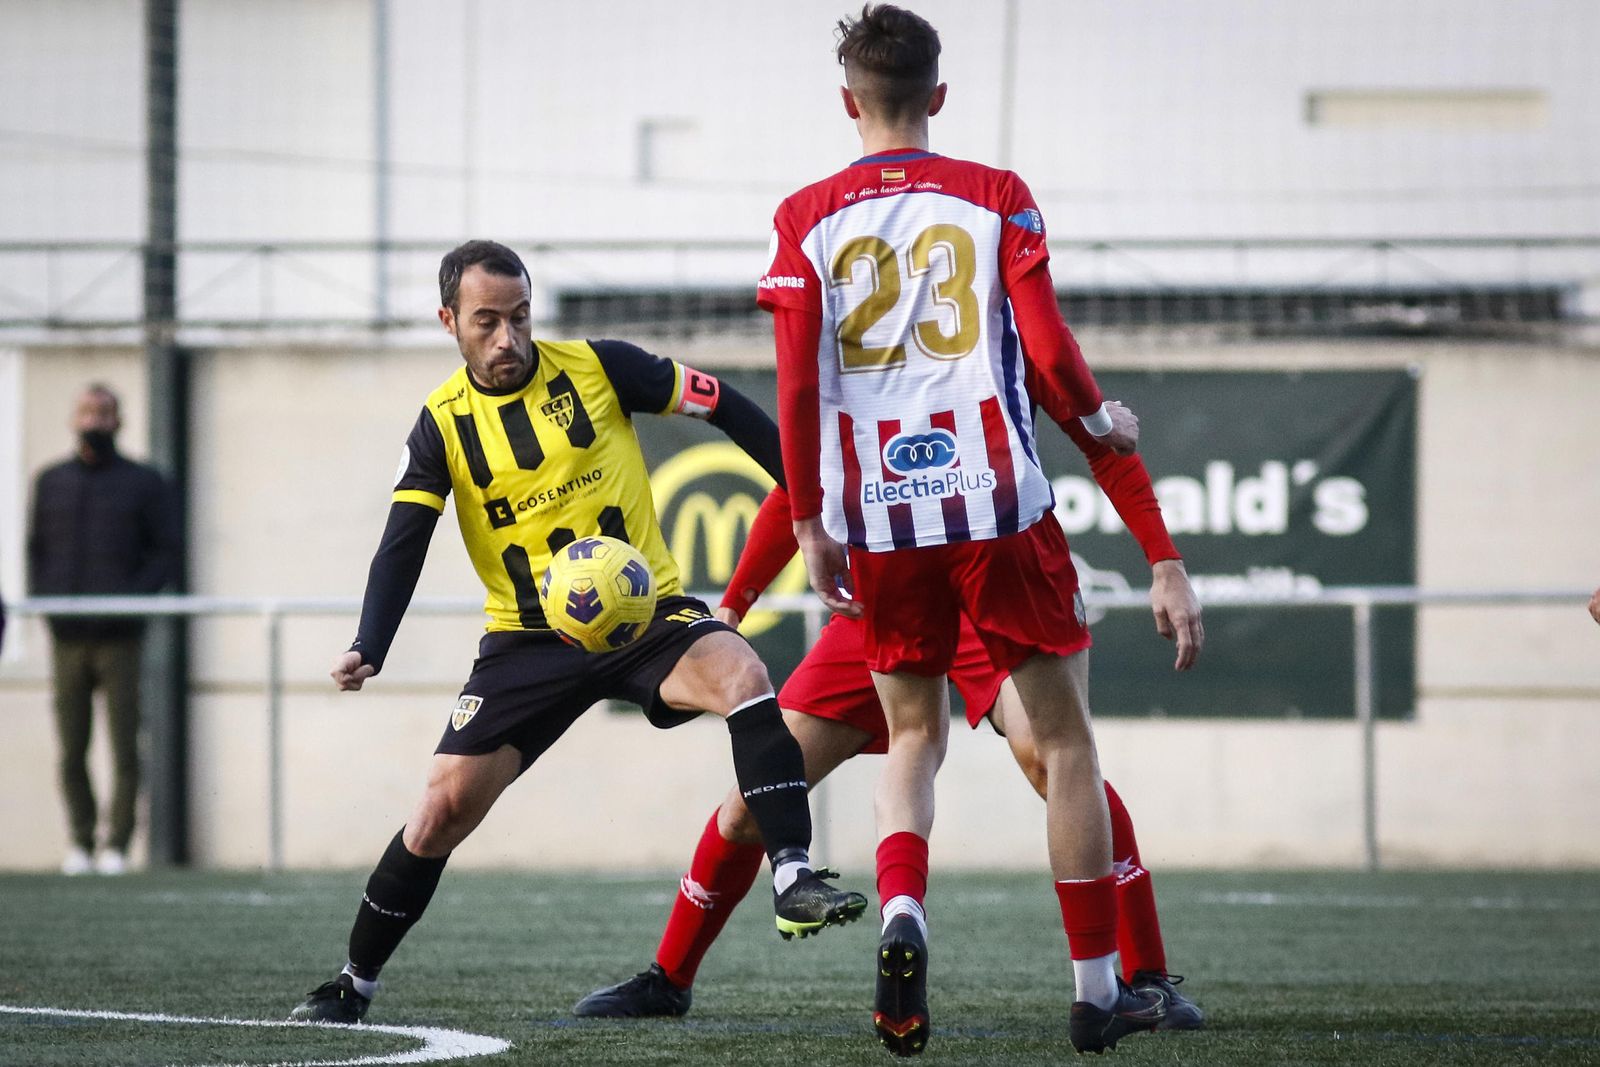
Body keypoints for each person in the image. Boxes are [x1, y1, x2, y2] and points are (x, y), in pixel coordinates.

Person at [288, 240, 867, 1025]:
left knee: (742, 673)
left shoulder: (601, 368)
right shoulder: (441, 425)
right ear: (449, 321)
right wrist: (371, 642)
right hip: (527, 642)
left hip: (644, 612)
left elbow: (724, 402)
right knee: (439, 813)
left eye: (519, 317)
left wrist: (805, 500)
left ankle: (793, 873)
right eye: (486, 321)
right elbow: (405, 538)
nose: (507, 338)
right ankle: (352, 983)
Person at [761, 5, 1161, 1054]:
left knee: (909, 736)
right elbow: (1049, 345)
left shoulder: (802, 217)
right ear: (937, 95)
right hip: (997, 508)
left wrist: (811, 518)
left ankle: (902, 909)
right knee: (1065, 746)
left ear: (849, 100)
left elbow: (795, 385)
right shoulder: (996, 197)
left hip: (885, 519)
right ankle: (1095, 992)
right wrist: (1092, 421)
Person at [574, 413, 1206, 1034]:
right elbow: (802, 486)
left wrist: (1161, 553)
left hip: (991, 578)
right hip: (884, 601)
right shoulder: (855, 349)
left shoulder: (994, 320)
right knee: (755, 801)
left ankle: (1146, 974)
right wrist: (735, 604)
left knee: (1052, 756)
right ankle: (671, 977)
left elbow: (1083, 412)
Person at [27, 383, 178, 877]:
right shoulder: (51, 481)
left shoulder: (143, 482)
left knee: (124, 744)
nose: (95, 421)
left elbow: (164, 552)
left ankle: (116, 845)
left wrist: (131, 603)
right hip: (67, 637)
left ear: (119, 420)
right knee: (72, 748)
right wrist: (50, 607)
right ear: (74, 419)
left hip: (120, 638)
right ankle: (80, 841)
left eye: (104, 413)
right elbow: (37, 551)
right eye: (87, 412)